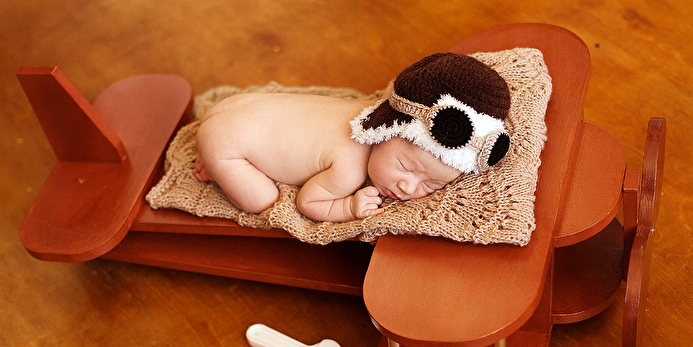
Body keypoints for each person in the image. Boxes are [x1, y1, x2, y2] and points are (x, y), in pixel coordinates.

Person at [194, 52, 512, 222]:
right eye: (405, 167)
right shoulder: (348, 168)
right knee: (261, 200)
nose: (407, 187)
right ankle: (217, 161)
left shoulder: (368, 109)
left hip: (240, 107)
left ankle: (215, 152)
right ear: (385, 130)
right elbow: (308, 202)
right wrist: (348, 207)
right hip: (224, 138)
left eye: (430, 186)